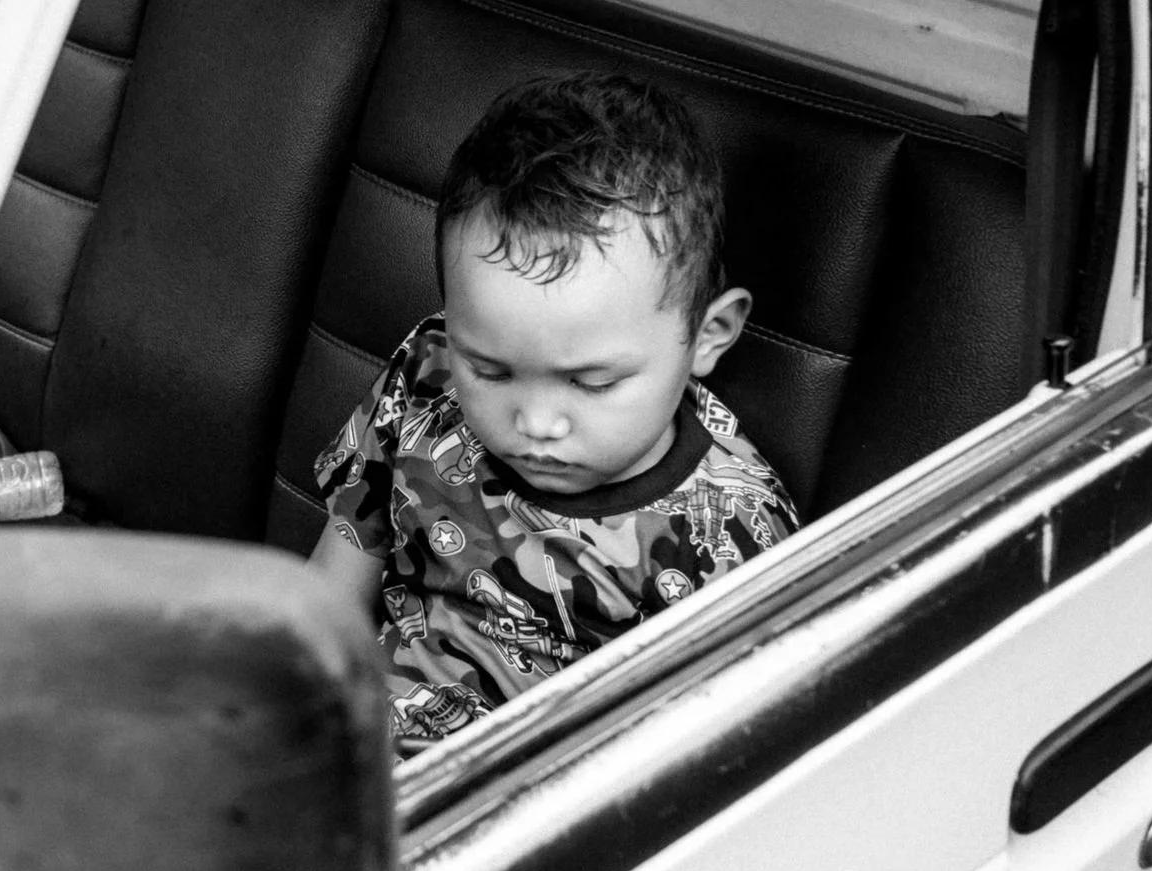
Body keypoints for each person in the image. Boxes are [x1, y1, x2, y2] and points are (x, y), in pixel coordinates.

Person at [309, 72, 797, 750]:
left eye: (592, 382)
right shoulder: (428, 371)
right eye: (489, 369)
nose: (535, 422)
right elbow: (341, 563)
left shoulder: (734, 538)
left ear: (706, 337)